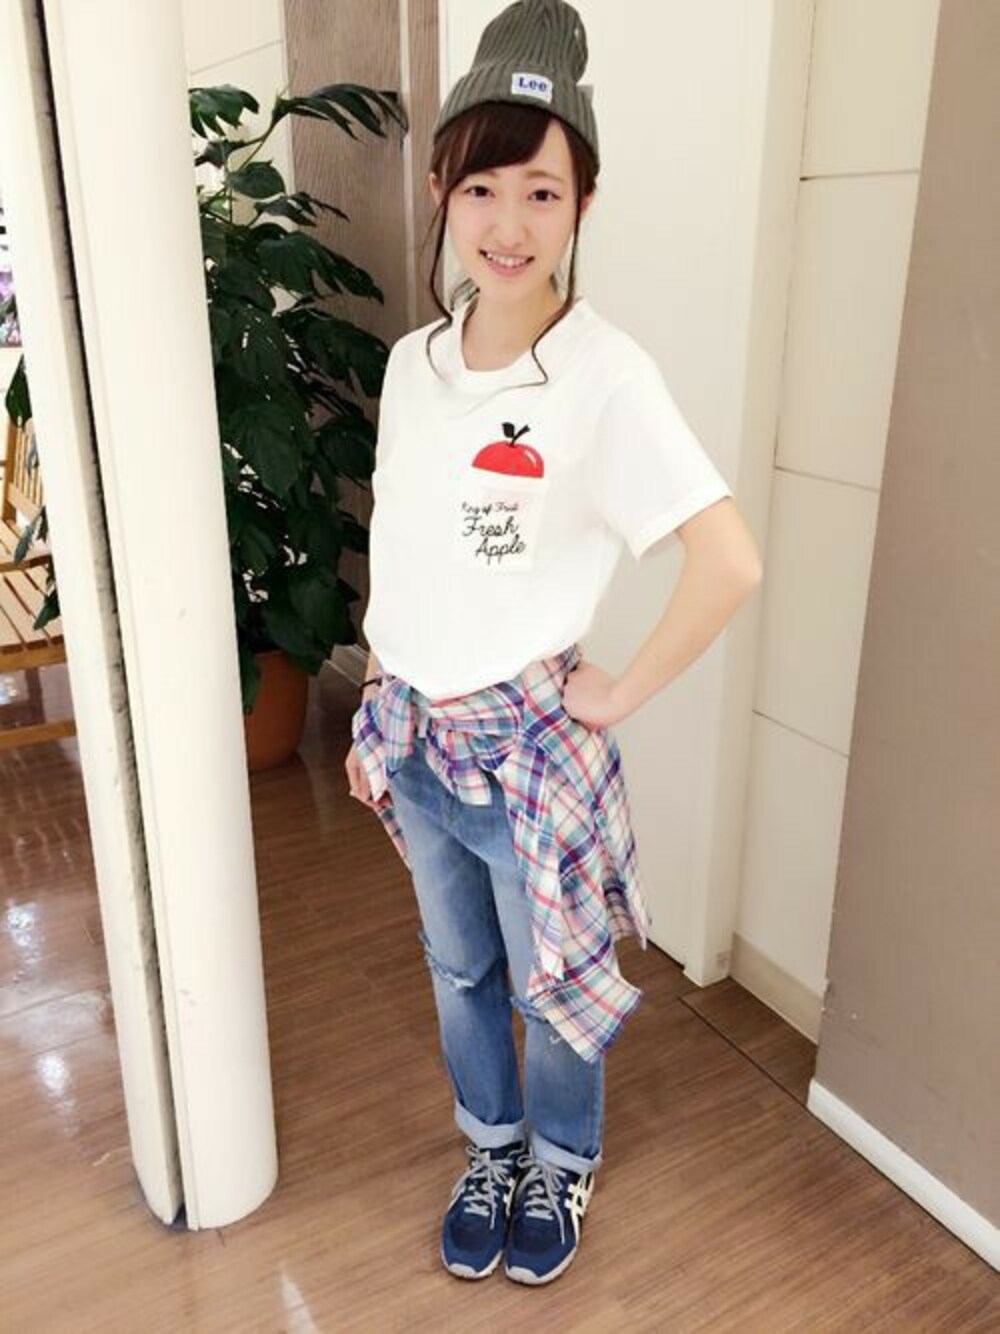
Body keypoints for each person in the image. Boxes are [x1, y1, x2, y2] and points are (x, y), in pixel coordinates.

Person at [344, 0, 762, 1287]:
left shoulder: (604, 376)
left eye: (542, 190)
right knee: (458, 968)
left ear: (584, 200)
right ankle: (490, 1146)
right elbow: (405, 551)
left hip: (526, 757)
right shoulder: (413, 364)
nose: (509, 224)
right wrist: (376, 701)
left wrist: (616, 691)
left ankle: (560, 1159)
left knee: (554, 985)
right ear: (440, 188)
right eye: (482, 186)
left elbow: (728, 559)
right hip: (417, 742)